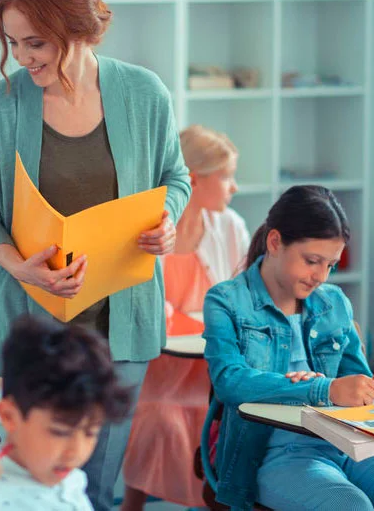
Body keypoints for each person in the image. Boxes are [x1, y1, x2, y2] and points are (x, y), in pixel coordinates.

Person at [0, 0, 191, 509]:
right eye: (13, 43)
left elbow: (175, 178)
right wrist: (17, 266)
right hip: (35, 325)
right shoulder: (1, 105)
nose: (21, 57)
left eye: (35, 43)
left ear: (80, 31)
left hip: (124, 322)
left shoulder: (144, 94)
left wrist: (168, 222)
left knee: (98, 488)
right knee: (30, 484)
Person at [202, 186, 374, 510]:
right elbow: (230, 382)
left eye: (330, 265)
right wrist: (321, 388)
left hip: (347, 448)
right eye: (312, 261)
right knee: (351, 506)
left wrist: (360, 390)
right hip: (271, 457)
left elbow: (356, 384)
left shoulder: (334, 301)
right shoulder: (226, 300)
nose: (320, 276)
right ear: (274, 242)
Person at [122, 125, 249, 510]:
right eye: (226, 177)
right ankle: (132, 502)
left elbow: (243, 297)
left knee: (220, 413)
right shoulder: (147, 231)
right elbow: (141, 307)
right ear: (192, 179)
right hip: (155, 365)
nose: (235, 187)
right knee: (159, 416)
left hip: (213, 363)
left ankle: (211, 497)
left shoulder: (230, 226)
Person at [0, 315, 133, 510]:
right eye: (60, 432)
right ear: (9, 417)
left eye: (90, 433)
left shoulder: (71, 478)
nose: (76, 452)